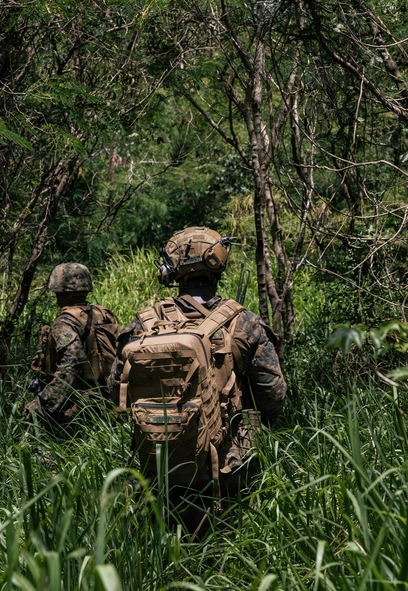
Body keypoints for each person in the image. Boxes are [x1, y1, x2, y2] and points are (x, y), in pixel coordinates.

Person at [109, 227, 286, 533]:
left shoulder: (144, 324)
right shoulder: (243, 321)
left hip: (159, 460)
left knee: (165, 545)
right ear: (218, 262)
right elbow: (273, 395)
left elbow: (115, 392)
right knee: (231, 545)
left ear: (175, 267)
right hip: (226, 465)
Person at [24, 262, 120, 428]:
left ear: (59, 290)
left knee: (33, 420)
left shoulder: (65, 322)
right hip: (108, 401)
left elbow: (73, 362)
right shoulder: (103, 315)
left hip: (80, 407)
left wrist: (42, 404)